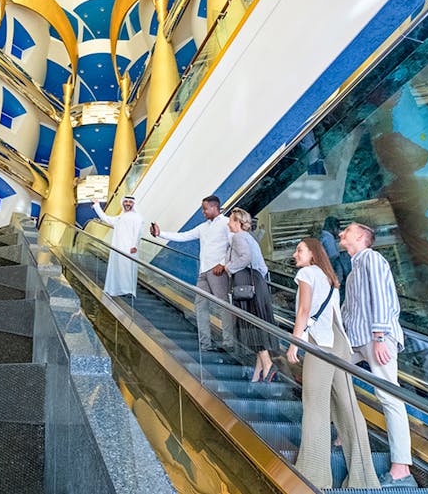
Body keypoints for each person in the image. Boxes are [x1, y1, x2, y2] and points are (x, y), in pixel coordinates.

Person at [286, 238, 380, 489]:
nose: (296, 254)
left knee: (315, 405)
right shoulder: (329, 277)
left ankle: (313, 475)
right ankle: (364, 479)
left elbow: (304, 310)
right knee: (348, 406)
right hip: (339, 342)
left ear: (313, 254)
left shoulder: (307, 273)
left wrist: (295, 342)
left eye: (300, 250)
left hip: (321, 342)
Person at [339, 222, 416, 488]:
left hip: (376, 339)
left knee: (388, 396)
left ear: (360, 237)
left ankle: (401, 468)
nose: (341, 234)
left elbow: (383, 298)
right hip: (358, 341)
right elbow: (348, 311)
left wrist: (381, 337)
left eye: (346, 231)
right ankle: (345, 435)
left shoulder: (371, 259)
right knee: (332, 373)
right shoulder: (353, 270)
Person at [150, 195, 233, 351]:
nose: (203, 212)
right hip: (203, 272)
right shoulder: (203, 227)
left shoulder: (227, 223)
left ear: (215, 207)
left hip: (218, 271)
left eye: (205, 208)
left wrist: (222, 263)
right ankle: (205, 344)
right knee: (200, 305)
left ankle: (228, 342)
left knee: (224, 306)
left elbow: (233, 245)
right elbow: (183, 236)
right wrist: (160, 234)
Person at [225, 208, 277, 382]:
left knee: (252, 326)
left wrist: (229, 267)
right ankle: (257, 375)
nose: (228, 223)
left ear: (238, 223)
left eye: (231, 220)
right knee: (257, 325)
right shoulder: (250, 238)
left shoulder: (238, 237)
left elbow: (245, 258)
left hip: (247, 285)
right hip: (257, 284)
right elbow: (262, 266)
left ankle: (268, 364)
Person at [92, 196, 144, 297]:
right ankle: (117, 290)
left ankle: (127, 290)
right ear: (122, 203)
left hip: (129, 249)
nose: (128, 204)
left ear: (133, 204)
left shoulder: (137, 217)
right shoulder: (120, 217)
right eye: (126, 201)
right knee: (117, 269)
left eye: (130, 202)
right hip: (118, 248)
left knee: (127, 269)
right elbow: (106, 218)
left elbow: (138, 233)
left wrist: (134, 246)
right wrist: (97, 205)